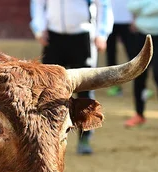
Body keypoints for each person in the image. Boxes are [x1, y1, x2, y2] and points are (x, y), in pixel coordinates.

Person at [30, 0, 113, 155]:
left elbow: (103, 4)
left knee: (85, 89)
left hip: (82, 36)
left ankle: (85, 137)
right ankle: (48, 137)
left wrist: (102, 34)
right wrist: (39, 29)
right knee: (48, 90)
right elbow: (38, 4)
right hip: (54, 37)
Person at [124, 0, 158, 131]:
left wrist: (143, 8)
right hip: (143, 34)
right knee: (138, 73)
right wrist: (151, 6)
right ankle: (139, 113)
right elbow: (131, 6)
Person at [106, 0, 135, 96]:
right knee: (111, 55)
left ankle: (139, 85)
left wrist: (134, 19)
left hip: (128, 21)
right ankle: (114, 86)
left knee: (133, 54)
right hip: (109, 22)